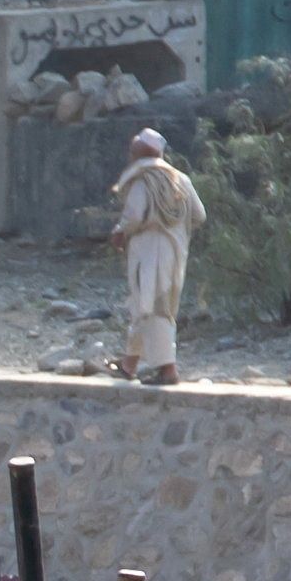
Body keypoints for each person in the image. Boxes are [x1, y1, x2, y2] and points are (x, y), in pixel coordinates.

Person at [111, 126, 202, 386]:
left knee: (154, 307)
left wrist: (120, 232)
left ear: (140, 152)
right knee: (146, 305)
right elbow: (199, 215)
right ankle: (129, 365)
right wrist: (174, 228)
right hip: (175, 250)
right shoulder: (181, 179)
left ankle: (168, 369)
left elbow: (134, 216)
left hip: (148, 250)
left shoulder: (143, 179)